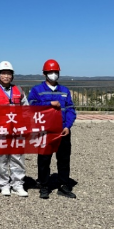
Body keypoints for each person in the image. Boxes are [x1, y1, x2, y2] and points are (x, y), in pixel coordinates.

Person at [28, 59, 77, 199]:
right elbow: (31, 106)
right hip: (45, 130)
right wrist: (49, 103)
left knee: (64, 159)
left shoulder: (64, 91)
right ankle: (44, 185)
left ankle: (63, 185)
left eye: (55, 72)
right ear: (44, 74)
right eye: (50, 72)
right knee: (44, 159)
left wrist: (67, 126)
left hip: (62, 130)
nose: (53, 74)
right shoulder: (37, 90)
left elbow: (70, 109)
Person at [0, 61, 29, 197]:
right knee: (0, 159)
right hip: (0, 130)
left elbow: (26, 109)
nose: (6, 76)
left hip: (16, 130)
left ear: (12, 76)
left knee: (17, 158)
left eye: (9, 74)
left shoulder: (18, 90)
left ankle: (18, 185)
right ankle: (3, 184)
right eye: (3, 73)